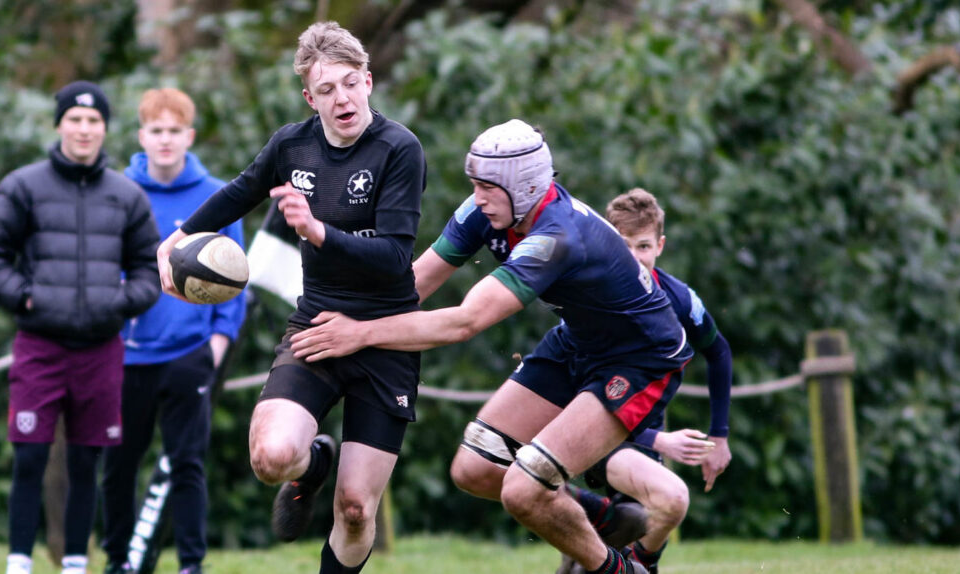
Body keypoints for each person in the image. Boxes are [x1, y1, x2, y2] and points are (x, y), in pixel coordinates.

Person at [290, 119, 692, 574]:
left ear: (523, 186)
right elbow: (414, 285)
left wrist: (359, 334)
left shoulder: (555, 237)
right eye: (475, 185)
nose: (478, 197)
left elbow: (465, 321)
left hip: (640, 360)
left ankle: (621, 571)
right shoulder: (486, 211)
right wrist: (341, 322)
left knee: (522, 490)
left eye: (487, 187)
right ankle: (603, 516)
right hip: (577, 341)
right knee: (473, 470)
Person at [154, 22, 426, 574]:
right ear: (310, 96)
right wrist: (177, 238)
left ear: (368, 80)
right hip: (317, 322)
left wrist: (318, 231)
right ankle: (312, 463)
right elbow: (239, 192)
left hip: (386, 335)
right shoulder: (292, 144)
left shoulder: (399, 148)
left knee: (354, 509)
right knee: (272, 457)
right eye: (326, 90)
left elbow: (397, 257)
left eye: (350, 83)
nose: (341, 98)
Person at [0, 80, 161, 574]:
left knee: (86, 463)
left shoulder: (127, 195)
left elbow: (148, 269)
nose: (84, 129)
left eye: (93, 120)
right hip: (39, 345)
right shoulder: (22, 186)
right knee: (30, 459)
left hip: (101, 349)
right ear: (59, 124)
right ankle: (18, 562)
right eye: (74, 120)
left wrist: (120, 302)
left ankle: (75, 562)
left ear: (104, 128)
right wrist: (23, 295)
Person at [100, 88, 248, 574]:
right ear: (142, 137)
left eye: (174, 132)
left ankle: (191, 565)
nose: (165, 140)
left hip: (189, 353)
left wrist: (216, 346)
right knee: (120, 466)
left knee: (187, 465)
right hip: (125, 356)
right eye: (156, 131)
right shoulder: (118, 190)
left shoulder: (217, 195)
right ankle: (117, 562)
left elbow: (236, 281)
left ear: (190, 136)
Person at [555, 188, 734, 574]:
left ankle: (601, 552)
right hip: (590, 435)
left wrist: (719, 435)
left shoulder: (680, 299)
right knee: (659, 505)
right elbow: (578, 399)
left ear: (660, 246)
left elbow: (719, 353)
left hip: (638, 440)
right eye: (623, 245)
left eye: (644, 246)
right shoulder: (587, 304)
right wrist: (660, 440)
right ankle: (620, 557)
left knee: (647, 514)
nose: (634, 257)